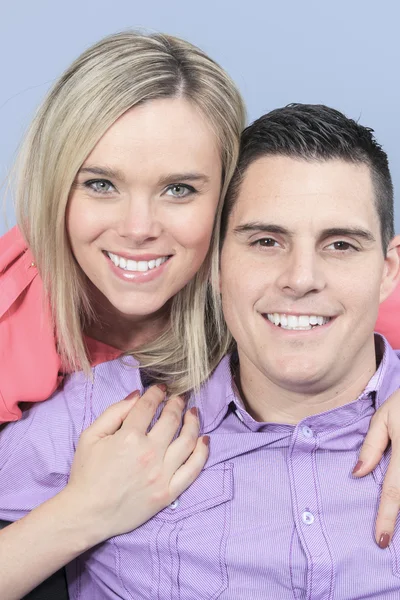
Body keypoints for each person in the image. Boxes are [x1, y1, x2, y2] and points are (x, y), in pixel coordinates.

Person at [1, 103, 400, 599]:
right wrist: (81, 513)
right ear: (214, 263)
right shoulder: (104, 420)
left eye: (340, 245)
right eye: (265, 241)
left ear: (388, 270)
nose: (301, 279)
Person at [0, 29, 245, 598]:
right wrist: (84, 512)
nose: (138, 228)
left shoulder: (288, 288)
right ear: (57, 186)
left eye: (179, 189)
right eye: (102, 184)